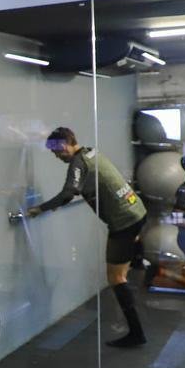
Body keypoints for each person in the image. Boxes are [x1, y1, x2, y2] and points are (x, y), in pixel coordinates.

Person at [27, 127, 148, 347]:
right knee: (123, 271)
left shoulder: (78, 162)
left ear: (65, 144)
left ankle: (136, 332)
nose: (56, 156)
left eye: (56, 151)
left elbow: (68, 193)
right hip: (137, 212)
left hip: (123, 222)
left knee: (116, 277)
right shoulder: (91, 152)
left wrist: (40, 209)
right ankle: (134, 316)